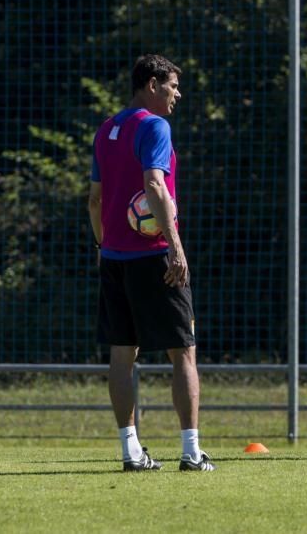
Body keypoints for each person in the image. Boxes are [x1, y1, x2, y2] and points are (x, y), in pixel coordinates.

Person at [87, 53, 215, 472]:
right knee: (184, 353)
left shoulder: (107, 128)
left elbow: (95, 199)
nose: (178, 94)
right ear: (153, 84)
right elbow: (156, 185)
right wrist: (175, 246)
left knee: (122, 355)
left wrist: (103, 243)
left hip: (114, 258)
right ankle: (191, 452)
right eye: (174, 86)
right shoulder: (155, 125)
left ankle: (130, 451)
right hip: (154, 256)